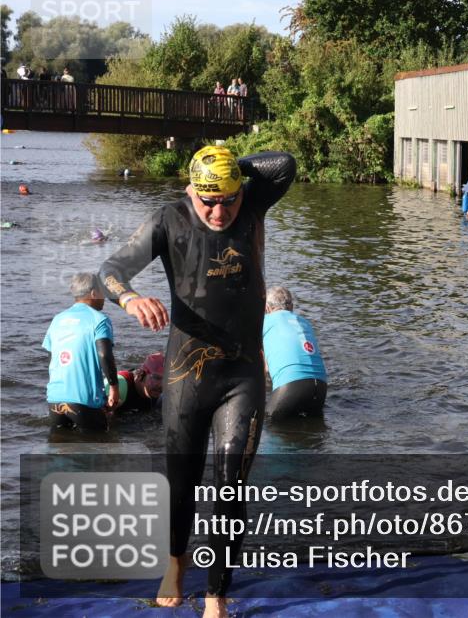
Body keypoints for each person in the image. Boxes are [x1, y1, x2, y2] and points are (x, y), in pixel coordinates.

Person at [99, 145, 294, 618]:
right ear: (191, 191)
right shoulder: (170, 220)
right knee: (180, 484)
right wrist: (130, 300)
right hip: (186, 373)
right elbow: (110, 270)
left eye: (227, 198)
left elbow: (284, 163)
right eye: (208, 199)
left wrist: (230, 166)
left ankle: (216, 595)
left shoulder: (253, 203)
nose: (219, 210)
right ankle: (175, 563)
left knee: (231, 487)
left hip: (241, 374)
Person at [43, 273, 120, 432]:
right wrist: (114, 388)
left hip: (55, 399)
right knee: (98, 448)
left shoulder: (57, 319)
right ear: (93, 293)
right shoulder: (99, 319)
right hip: (84, 400)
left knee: (60, 450)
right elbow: (104, 355)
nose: (104, 298)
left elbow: (52, 359)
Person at [262, 286, 328, 419]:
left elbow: (264, 369)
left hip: (291, 388)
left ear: (266, 309)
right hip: (321, 388)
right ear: (291, 307)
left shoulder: (265, 322)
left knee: (267, 424)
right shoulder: (305, 323)